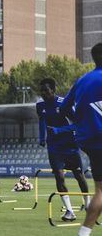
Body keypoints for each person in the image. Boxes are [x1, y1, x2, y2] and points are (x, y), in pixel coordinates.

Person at [60, 43, 102, 236]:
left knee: (101, 190)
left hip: (89, 140)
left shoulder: (83, 80)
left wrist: (80, 122)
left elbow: (64, 107)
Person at [37, 77, 89, 221]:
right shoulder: (40, 105)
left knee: (79, 176)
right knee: (59, 176)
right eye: (41, 91)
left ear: (53, 90)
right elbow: (42, 120)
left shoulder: (64, 103)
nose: (43, 93)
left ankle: (88, 204)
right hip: (54, 147)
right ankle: (69, 211)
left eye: (46, 90)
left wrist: (59, 130)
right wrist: (42, 137)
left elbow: (79, 124)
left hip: (70, 145)